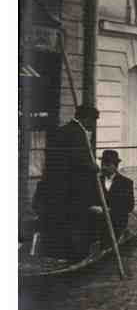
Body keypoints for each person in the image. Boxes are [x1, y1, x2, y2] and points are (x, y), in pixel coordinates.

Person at [34, 104, 102, 260]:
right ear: (86, 118)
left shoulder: (63, 130)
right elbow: (78, 160)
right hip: (70, 188)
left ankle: (53, 254)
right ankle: (71, 256)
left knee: (58, 220)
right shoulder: (78, 134)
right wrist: (93, 167)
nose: (93, 125)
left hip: (57, 186)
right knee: (73, 222)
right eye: (93, 121)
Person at [95, 150, 135, 238]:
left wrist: (107, 210)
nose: (104, 167)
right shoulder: (96, 181)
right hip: (98, 221)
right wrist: (93, 208)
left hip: (117, 222)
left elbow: (129, 207)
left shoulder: (126, 183)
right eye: (102, 164)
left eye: (107, 164)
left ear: (115, 166)